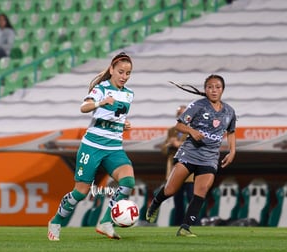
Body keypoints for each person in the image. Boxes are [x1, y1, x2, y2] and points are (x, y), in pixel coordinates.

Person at [48, 52, 135, 241]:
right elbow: (84, 107)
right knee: (81, 192)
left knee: (128, 182)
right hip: (92, 146)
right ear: (112, 69)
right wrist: (101, 102)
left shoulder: (129, 94)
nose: (124, 76)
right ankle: (55, 221)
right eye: (121, 72)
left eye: (128, 73)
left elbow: (117, 116)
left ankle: (105, 222)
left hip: (114, 147)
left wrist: (124, 124)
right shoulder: (101, 89)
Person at [146, 74, 236, 237]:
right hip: (190, 153)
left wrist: (232, 151)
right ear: (205, 89)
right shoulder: (197, 105)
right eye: (210, 87)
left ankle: (185, 227)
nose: (214, 90)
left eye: (217, 87)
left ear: (223, 89)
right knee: (171, 189)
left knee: (201, 190)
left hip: (209, 157)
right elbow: (179, 125)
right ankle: (155, 203)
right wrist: (191, 131)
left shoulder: (229, 111)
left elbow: (231, 132)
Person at [161, 105, 194, 225]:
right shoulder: (171, 130)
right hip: (174, 171)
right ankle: (177, 224)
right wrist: (169, 145)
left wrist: (178, 144)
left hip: (190, 172)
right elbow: (163, 150)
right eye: (179, 114)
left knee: (192, 199)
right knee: (177, 201)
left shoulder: (194, 129)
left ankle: (194, 224)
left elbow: (195, 148)